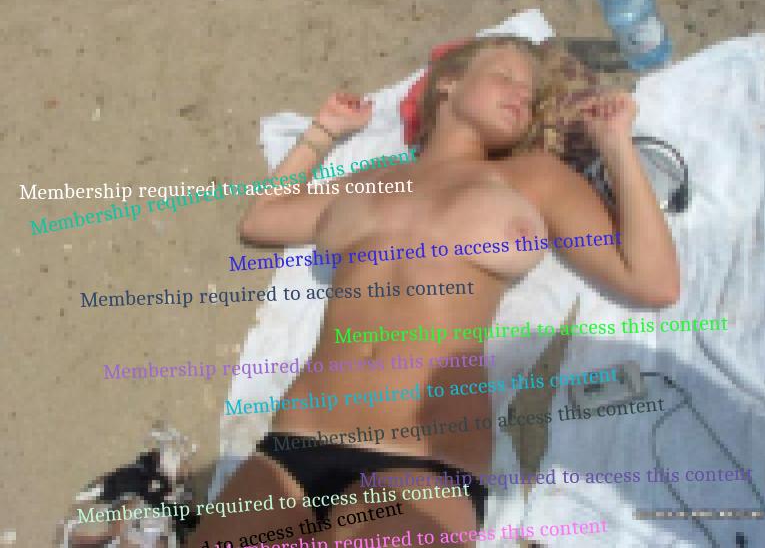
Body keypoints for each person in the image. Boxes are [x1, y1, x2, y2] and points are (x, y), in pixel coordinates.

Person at [189, 35, 680, 546]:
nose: (522, 96)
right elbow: (262, 220)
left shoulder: (532, 177)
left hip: (423, 459)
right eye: (506, 77)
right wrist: (324, 131)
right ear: (448, 83)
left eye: (531, 96)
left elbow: (653, 280)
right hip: (294, 444)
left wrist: (616, 144)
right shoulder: (375, 177)